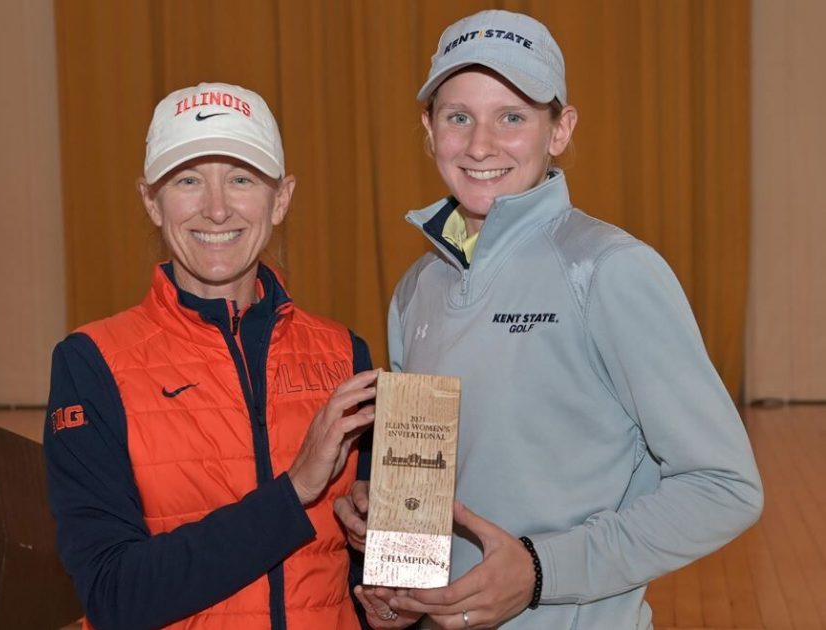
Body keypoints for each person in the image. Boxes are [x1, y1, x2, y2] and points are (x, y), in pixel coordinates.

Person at [335, 10, 763, 630]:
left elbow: (725, 488)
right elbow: (430, 486)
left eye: (512, 117)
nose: (481, 145)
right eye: (459, 117)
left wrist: (540, 571)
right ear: (429, 131)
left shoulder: (611, 270)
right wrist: (397, 571)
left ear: (560, 130)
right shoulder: (416, 290)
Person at [44, 81, 378, 630]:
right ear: (151, 201)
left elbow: (355, 575)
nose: (217, 209)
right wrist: (295, 491)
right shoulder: (91, 363)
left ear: (283, 197)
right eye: (189, 180)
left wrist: (385, 600)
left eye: (242, 179)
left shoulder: (346, 353)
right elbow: (114, 595)